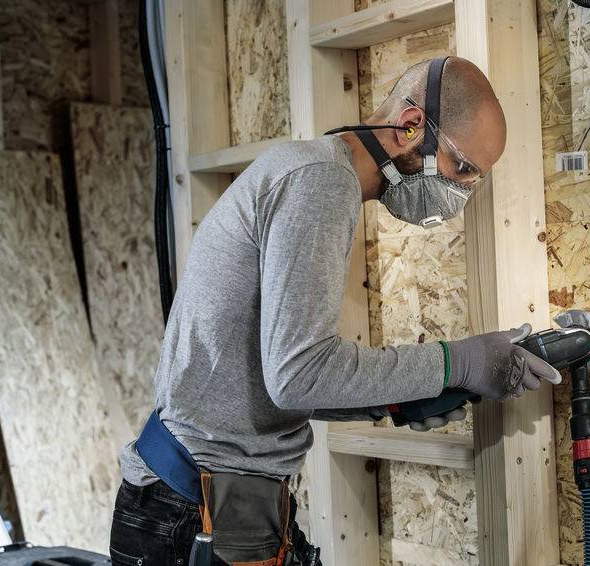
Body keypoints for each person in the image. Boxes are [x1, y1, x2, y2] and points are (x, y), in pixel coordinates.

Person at [109, 56, 562, 566]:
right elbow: (298, 374)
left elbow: (263, 376)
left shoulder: (313, 174)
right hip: (197, 511)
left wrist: (391, 401)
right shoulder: (320, 182)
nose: (459, 192)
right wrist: (462, 361)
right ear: (412, 126)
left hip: (193, 501)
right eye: (462, 168)